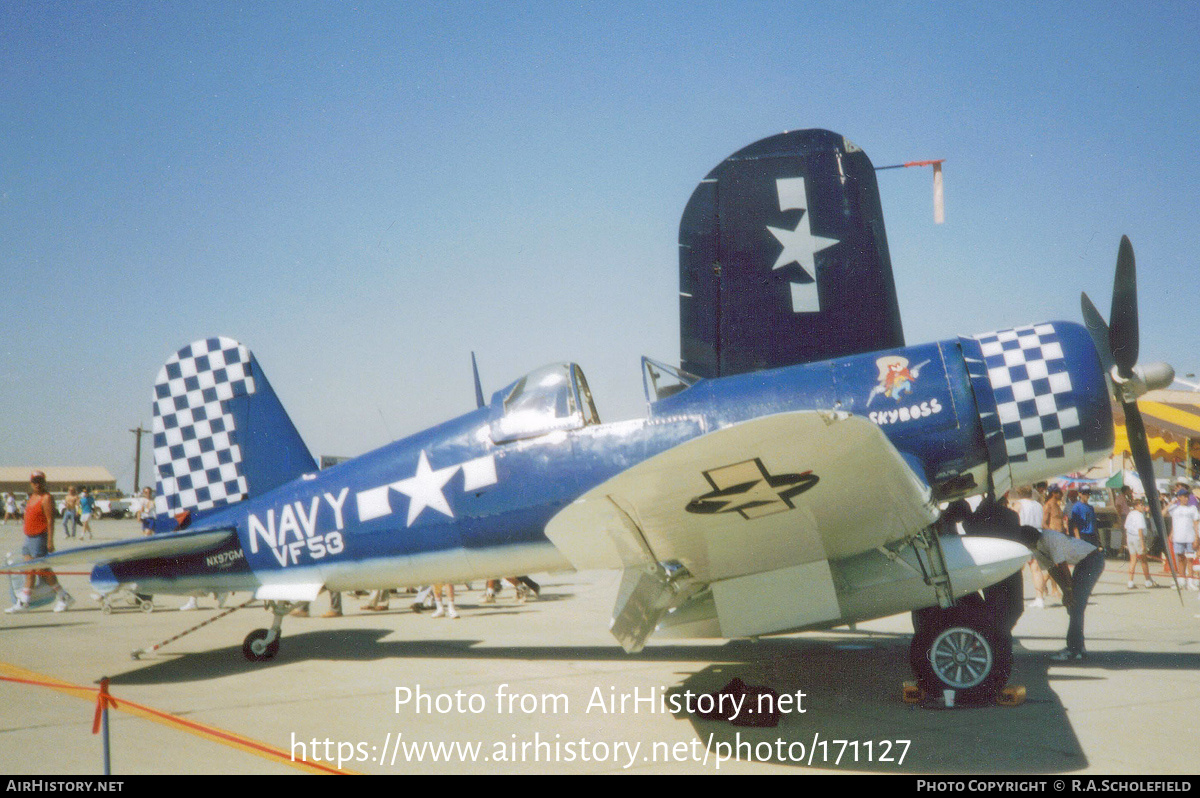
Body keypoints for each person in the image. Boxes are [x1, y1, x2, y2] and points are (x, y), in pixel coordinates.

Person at [1018, 525, 1104, 661]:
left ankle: (1074, 650)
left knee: (1076, 605)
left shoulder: (1050, 539)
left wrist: (1069, 591)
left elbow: (1062, 566)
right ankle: (1077, 647)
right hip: (1083, 562)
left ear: (1028, 541)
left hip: (1092, 560)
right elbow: (1052, 569)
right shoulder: (1036, 547)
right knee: (1073, 606)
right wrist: (1065, 591)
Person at [6, 471, 74, 613]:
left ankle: (62, 596)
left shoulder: (46, 498)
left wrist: (50, 541)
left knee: (41, 569)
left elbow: (50, 520)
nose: (37, 484)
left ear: (44, 482)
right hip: (29, 538)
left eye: (40, 481)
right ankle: (25, 602)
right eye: (35, 481)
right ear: (31, 483)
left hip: (39, 538)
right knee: (30, 570)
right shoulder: (32, 497)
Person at [1014, 486, 1051, 608]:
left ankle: (1016, 597)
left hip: (1022, 536)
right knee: (1036, 569)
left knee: (1017, 569)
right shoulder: (1038, 505)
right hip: (1037, 535)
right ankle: (1039, 598)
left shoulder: (1018, 504)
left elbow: (1012, 519)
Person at [1167, 488, 1200, 591]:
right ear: (1179, 497)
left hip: (1190, 537)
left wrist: (1196, 537)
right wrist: (1171, 503)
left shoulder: (1192, 508)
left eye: (1187, 496)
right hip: (1178, 537)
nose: (1186, 498)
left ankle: (1190, 581)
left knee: (1190, 559)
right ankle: (1181, 580)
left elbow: (1196, 523)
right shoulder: (1175, 508)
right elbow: (1163, 513)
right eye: (1184, 496)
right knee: (1181, 559)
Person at [1124, 497, 1155, 588]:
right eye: (1141, 505)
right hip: (1138, 538)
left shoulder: (1130, 514)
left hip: (1130, 537)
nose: (1143, 507)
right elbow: (1140, 530)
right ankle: (1147, 581)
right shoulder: (1139, 515)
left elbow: (1126, 526)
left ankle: (1130, 582)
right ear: (1136, 506)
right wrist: (1142, 544)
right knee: (1144, 560)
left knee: (1132, 559)